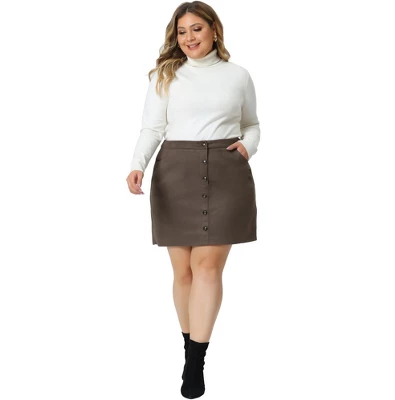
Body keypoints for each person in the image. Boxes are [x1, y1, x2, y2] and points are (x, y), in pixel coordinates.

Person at [126, 1, 260, 398]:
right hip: (176, 172)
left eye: (196, 29)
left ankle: (194, 363)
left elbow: (252, 123)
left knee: (207, 267)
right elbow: (152, 127)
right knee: (182, 271)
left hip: (225, 172)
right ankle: (190, 347)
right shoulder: (166, 75)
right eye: (182, 32)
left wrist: (247, 146)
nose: (189, 38)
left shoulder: (238, 75)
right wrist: (137, 165)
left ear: (214, 30)